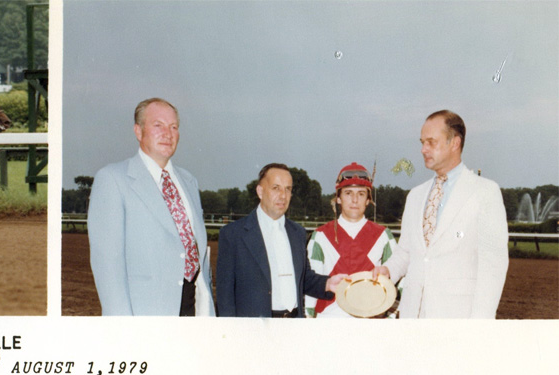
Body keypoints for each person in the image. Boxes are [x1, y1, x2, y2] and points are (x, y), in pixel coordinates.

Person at [374, 111, 508, 318]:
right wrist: (388, 271)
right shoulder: (415, 196)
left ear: (455, 143)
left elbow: (493, 268)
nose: (423, 149)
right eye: (422, 142)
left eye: (431, 142)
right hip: (411, 317)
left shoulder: (485, 192)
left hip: (457, 321)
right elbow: (406, 253)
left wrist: (480, 327)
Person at [88, 97, 213, 316]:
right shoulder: (113, 179)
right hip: (146, 316)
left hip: (193, 310)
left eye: (174, 127)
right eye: (158, 125)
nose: (168, 133)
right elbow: (108, 266)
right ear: (138, 131)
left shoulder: (189, 182)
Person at [216, 163, 342, 317]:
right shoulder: (232, 234)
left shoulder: (298, 233)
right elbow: (225, 297)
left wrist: (328, 284)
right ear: (260, 191)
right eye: (276, 188)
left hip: (294, 326)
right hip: (254, 332)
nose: (283, 195)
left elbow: (303, 278)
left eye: (288, 189)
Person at [305, 163, 399, 318]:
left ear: (368, 200)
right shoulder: (320, 236)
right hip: (329, 321)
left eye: (361, 194)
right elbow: (311, 284)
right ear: (338, 198)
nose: (355, 200)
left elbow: (395, 283)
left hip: (371, 320)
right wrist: (308, 318)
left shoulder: (384, 236)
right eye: (348, 193)